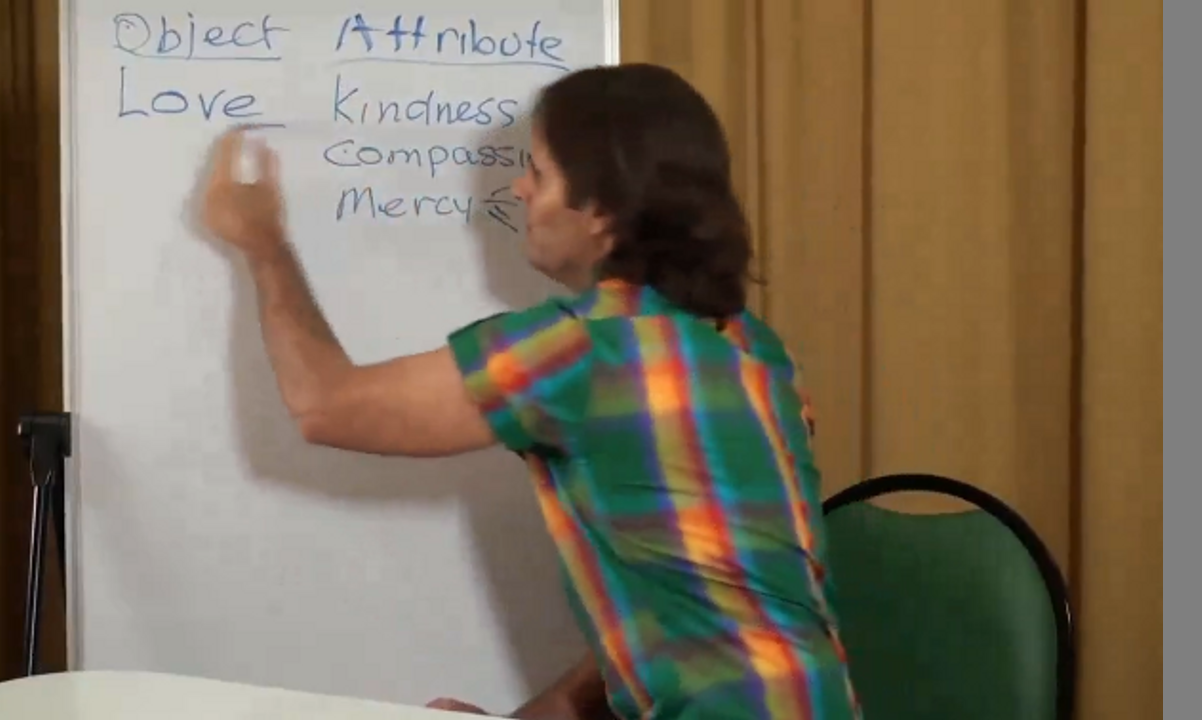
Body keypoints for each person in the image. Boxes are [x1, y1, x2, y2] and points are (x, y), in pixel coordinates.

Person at [198, 63, 860, 720]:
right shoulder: (752, 347)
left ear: (601, 211)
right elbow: (681, 617)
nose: (518, 189)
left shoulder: (583, 350)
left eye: (538, 174)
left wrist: (264, 245)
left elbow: (327, 404)